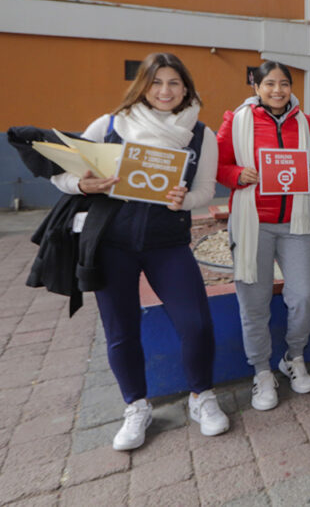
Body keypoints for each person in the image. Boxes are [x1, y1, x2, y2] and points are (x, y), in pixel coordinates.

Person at [51, 52, 228, 450]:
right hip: (113, 245)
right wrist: (84, 185)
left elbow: (205, 191)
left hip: (167, 245)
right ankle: (136, 406)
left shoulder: (201, 134)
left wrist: (184, 199)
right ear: (143, 85)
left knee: (196, 324)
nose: (165, 91)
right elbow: (62, 174)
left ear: (186, 88)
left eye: (174, 83)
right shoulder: (111, 125)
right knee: (121, 330)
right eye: (157, 82)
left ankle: (202, 397)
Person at [216, 61, 310, 411]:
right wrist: (236, 174)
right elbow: (218, 164)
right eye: (270, 84)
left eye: (285, 84)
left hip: (295, 223)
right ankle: (261, 370)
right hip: (252, 225)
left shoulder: (306, 123)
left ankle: (293, 356)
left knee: (304, 294)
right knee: (254, 302)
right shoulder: (237, 120)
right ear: (256, 87)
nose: (278, 90)